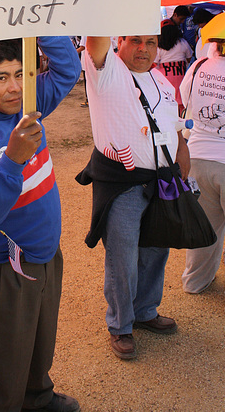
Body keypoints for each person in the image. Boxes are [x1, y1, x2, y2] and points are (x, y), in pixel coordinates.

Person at [0, 36, 81, 412]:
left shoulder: (28, 106)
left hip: (45, 254)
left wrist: (40, 24)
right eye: (1, 77)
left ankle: (38, 397)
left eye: (21, 74)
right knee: (2, 356)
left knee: (40, 339)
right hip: (5, 267)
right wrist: (13, 160)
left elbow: (68, 70)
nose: (16, 87)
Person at [76, 35, 190, 360]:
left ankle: (145, 310)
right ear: (120, 42)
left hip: (162, 181)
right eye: (135, 41)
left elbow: (172, 121)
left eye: (151, 43)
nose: (144, 49)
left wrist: (182, 149)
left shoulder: (160, 78)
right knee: (122, 258)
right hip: (122, 184)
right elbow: (96, 43)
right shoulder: (108, 71)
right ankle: (121, 325)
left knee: (156, 249)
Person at [180, 9, 225, 317]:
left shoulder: (198, 66)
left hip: (198, 159)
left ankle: (195, 281)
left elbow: (185, 100)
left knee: (204, 226)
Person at [154, 23, 192, 115]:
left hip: (164, 79)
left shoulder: (159, 46)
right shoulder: (182, 43)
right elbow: (189, 57)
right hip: (181, 77)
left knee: (167, 104)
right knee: (182, 103)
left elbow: (154, 63)